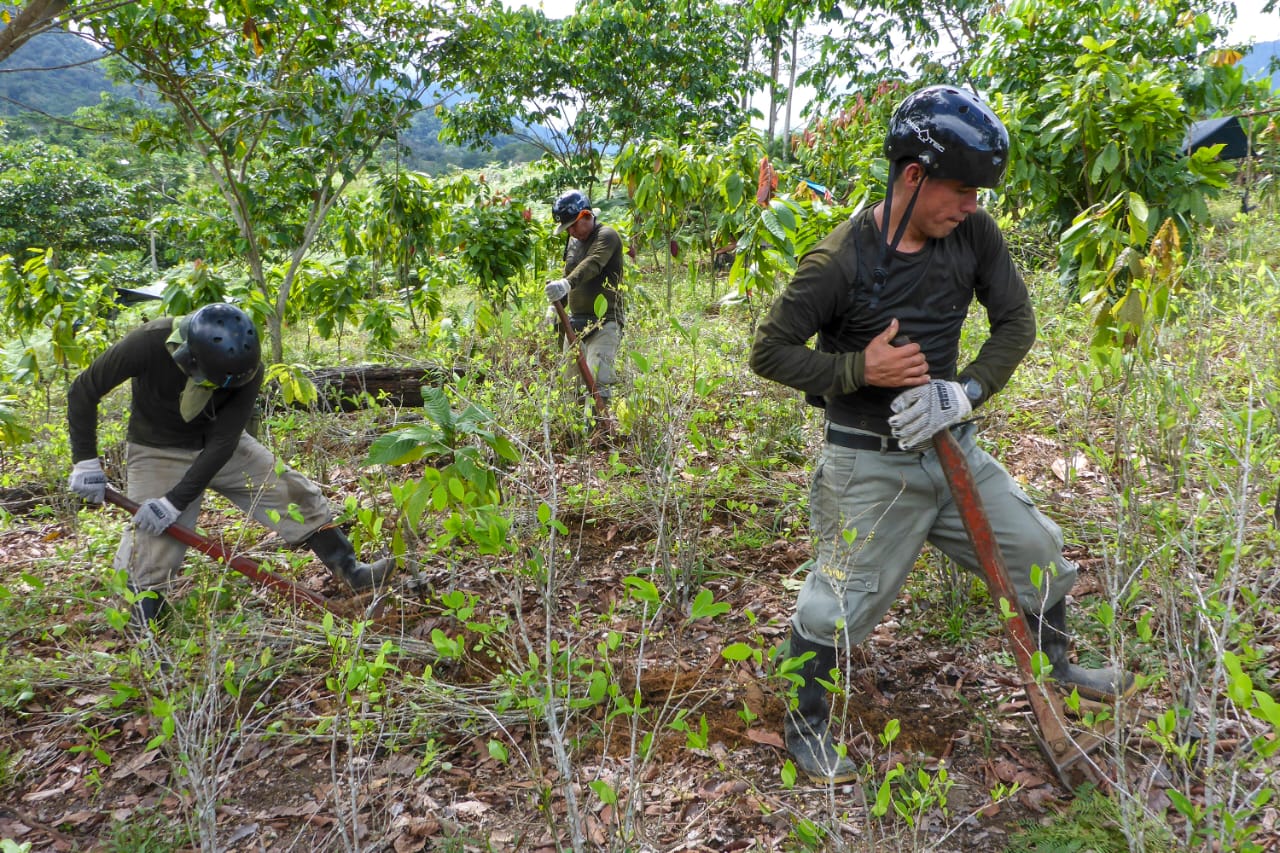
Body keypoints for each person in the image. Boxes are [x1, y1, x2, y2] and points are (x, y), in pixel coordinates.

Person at [749, 84, 1132, 783]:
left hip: (953, 447)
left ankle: (1058, 666)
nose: (972, 207)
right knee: (833, 604)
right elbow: (769, 350)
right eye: (962, 190)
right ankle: (805, 726)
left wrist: (966, 391)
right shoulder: (840, 260)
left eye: (979, 194)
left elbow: (1016, 321)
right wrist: (858, 366)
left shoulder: (974, 237)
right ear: (914, 175)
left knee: (1038, 550)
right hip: (868, 465)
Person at [66, 302, 395, 632]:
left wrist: (173, 502)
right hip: (157, 450)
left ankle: (350, 572)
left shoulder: (248, 369)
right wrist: (85, 460)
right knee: (152, 546)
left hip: (221, 445)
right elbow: (84, 389)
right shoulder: (148, 342)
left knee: (292, 491)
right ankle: (146, 630)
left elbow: (224, 442)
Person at [544, 190, 624, 407]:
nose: (570, 231)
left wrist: (566, 284)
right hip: (576, 325)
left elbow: (593, 264)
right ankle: (577, 439)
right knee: (570, 389)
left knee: (598, 383)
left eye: (573, 225)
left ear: (587, 215)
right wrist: (557, 305)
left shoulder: (607, 236)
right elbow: (568, 272)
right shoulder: (573, 242)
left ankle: (602, 436)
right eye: (567, 228)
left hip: (605, 322)